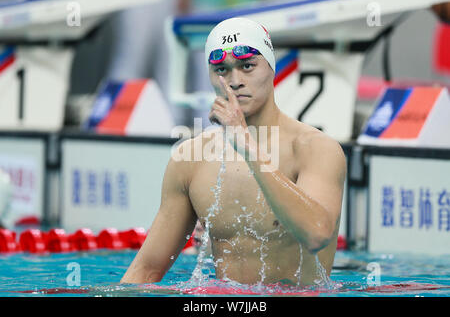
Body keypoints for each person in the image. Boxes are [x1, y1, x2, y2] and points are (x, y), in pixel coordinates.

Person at [121, 17, 347, 286]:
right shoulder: (191, 159)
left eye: (247, 66)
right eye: (221, 69)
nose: (235, 80)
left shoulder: (315, 149)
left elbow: (316, 234)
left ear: (271, 67)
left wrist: (248, 146)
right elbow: (146, 271)